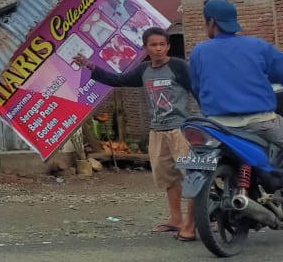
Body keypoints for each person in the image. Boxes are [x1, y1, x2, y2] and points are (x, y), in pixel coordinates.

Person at [73, 27, 197, 241]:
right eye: (153, 45)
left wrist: (206, 119)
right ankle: (176, 219)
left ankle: (194, 222)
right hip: (157, 131)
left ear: (168, 46)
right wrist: (90, 66)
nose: (158, 49)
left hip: (181, 130)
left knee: (194, 176)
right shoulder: (143, 71)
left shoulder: (178, 67)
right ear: (145, 48)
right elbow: (118, 80)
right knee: (168, 177)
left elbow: (197, 89)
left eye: (162, 45)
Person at [190, 0, 283, 211]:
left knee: (196, 161)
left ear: (211, 22)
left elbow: (196, 87)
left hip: (216, 125)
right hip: (259, 121)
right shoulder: (259, 47)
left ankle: (188, 225)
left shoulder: (199, 51)